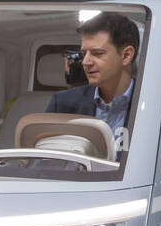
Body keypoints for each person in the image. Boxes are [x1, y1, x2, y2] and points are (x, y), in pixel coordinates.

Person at [45, 11, 139, 150]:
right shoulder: (62, 104)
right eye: (84, 54)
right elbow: (45, 163)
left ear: (126, 56)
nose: (86, 62)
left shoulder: (155, 110)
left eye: (97, 54)